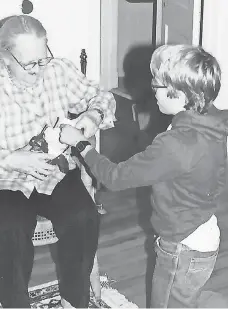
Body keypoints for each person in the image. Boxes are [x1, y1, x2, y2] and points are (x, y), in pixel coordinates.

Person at [0, 15, 116, 308]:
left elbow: (101, 96)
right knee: (8, 230)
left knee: (83, 217)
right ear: (5, 57)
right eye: (28, 64)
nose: (39, 70)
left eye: (43, 58)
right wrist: (9, 158)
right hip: (3, 177)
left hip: (55, 171)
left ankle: (73, 301)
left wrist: (92, 116)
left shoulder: (58, 70)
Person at [59, 44, 228, 308]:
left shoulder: (176, 144)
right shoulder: (213, 120)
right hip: (203, 232)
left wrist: (81, 144)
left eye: (156, 86)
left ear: (180, 94)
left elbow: (114, 177)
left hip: (181, 246)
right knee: (186, 298)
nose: (152, 92)